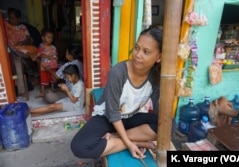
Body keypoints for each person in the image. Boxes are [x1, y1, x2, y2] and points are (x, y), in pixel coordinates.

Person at [71, 27, 162, 159]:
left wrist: (169, 92)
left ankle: (114, 137)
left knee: (167, 125)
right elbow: (113, 113)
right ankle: (134, 141)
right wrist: (129, 144)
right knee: (79, 147)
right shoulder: (118, 72)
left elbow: (159, 111)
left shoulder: (156, 77)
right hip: (107, 117)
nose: (138, 54)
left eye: (146, 52)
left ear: (158, 57)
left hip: (130, 117)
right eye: (137, 48)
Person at [33, 28, 59, 98]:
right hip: (44, 66)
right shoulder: (42, 46)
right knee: (44, 78)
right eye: (48, 37)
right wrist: (46, 56)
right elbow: (39, 54)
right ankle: (42, 91)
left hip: (52, 65)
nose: (50, 39)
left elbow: (55, 55)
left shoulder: (53, 47)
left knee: (52, 77)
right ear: (43, 37)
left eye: (51, 37)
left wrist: (56, 57)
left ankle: (52, 88)